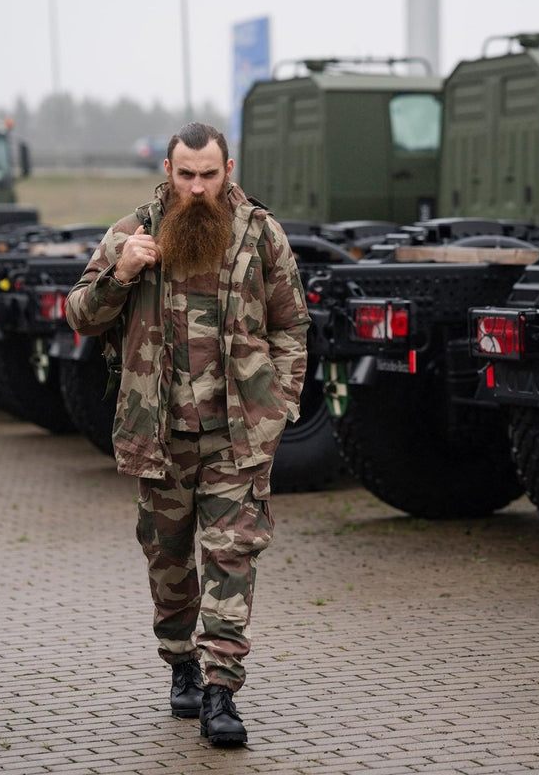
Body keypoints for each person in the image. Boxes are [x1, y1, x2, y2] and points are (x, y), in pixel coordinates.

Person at [65, 122, 310, 746]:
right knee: (168, 555)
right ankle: (181, 665)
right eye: (186, 175)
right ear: (168, 172)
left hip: (239, 434)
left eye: (209, 174)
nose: (198, 188)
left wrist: (279, 404)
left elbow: (291, 327)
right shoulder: (134, 232)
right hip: (160, 434)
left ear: (229, 169)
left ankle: (222, 690)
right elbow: (79, 315)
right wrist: (120, 273)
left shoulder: (261, 235)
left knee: (232, 555)